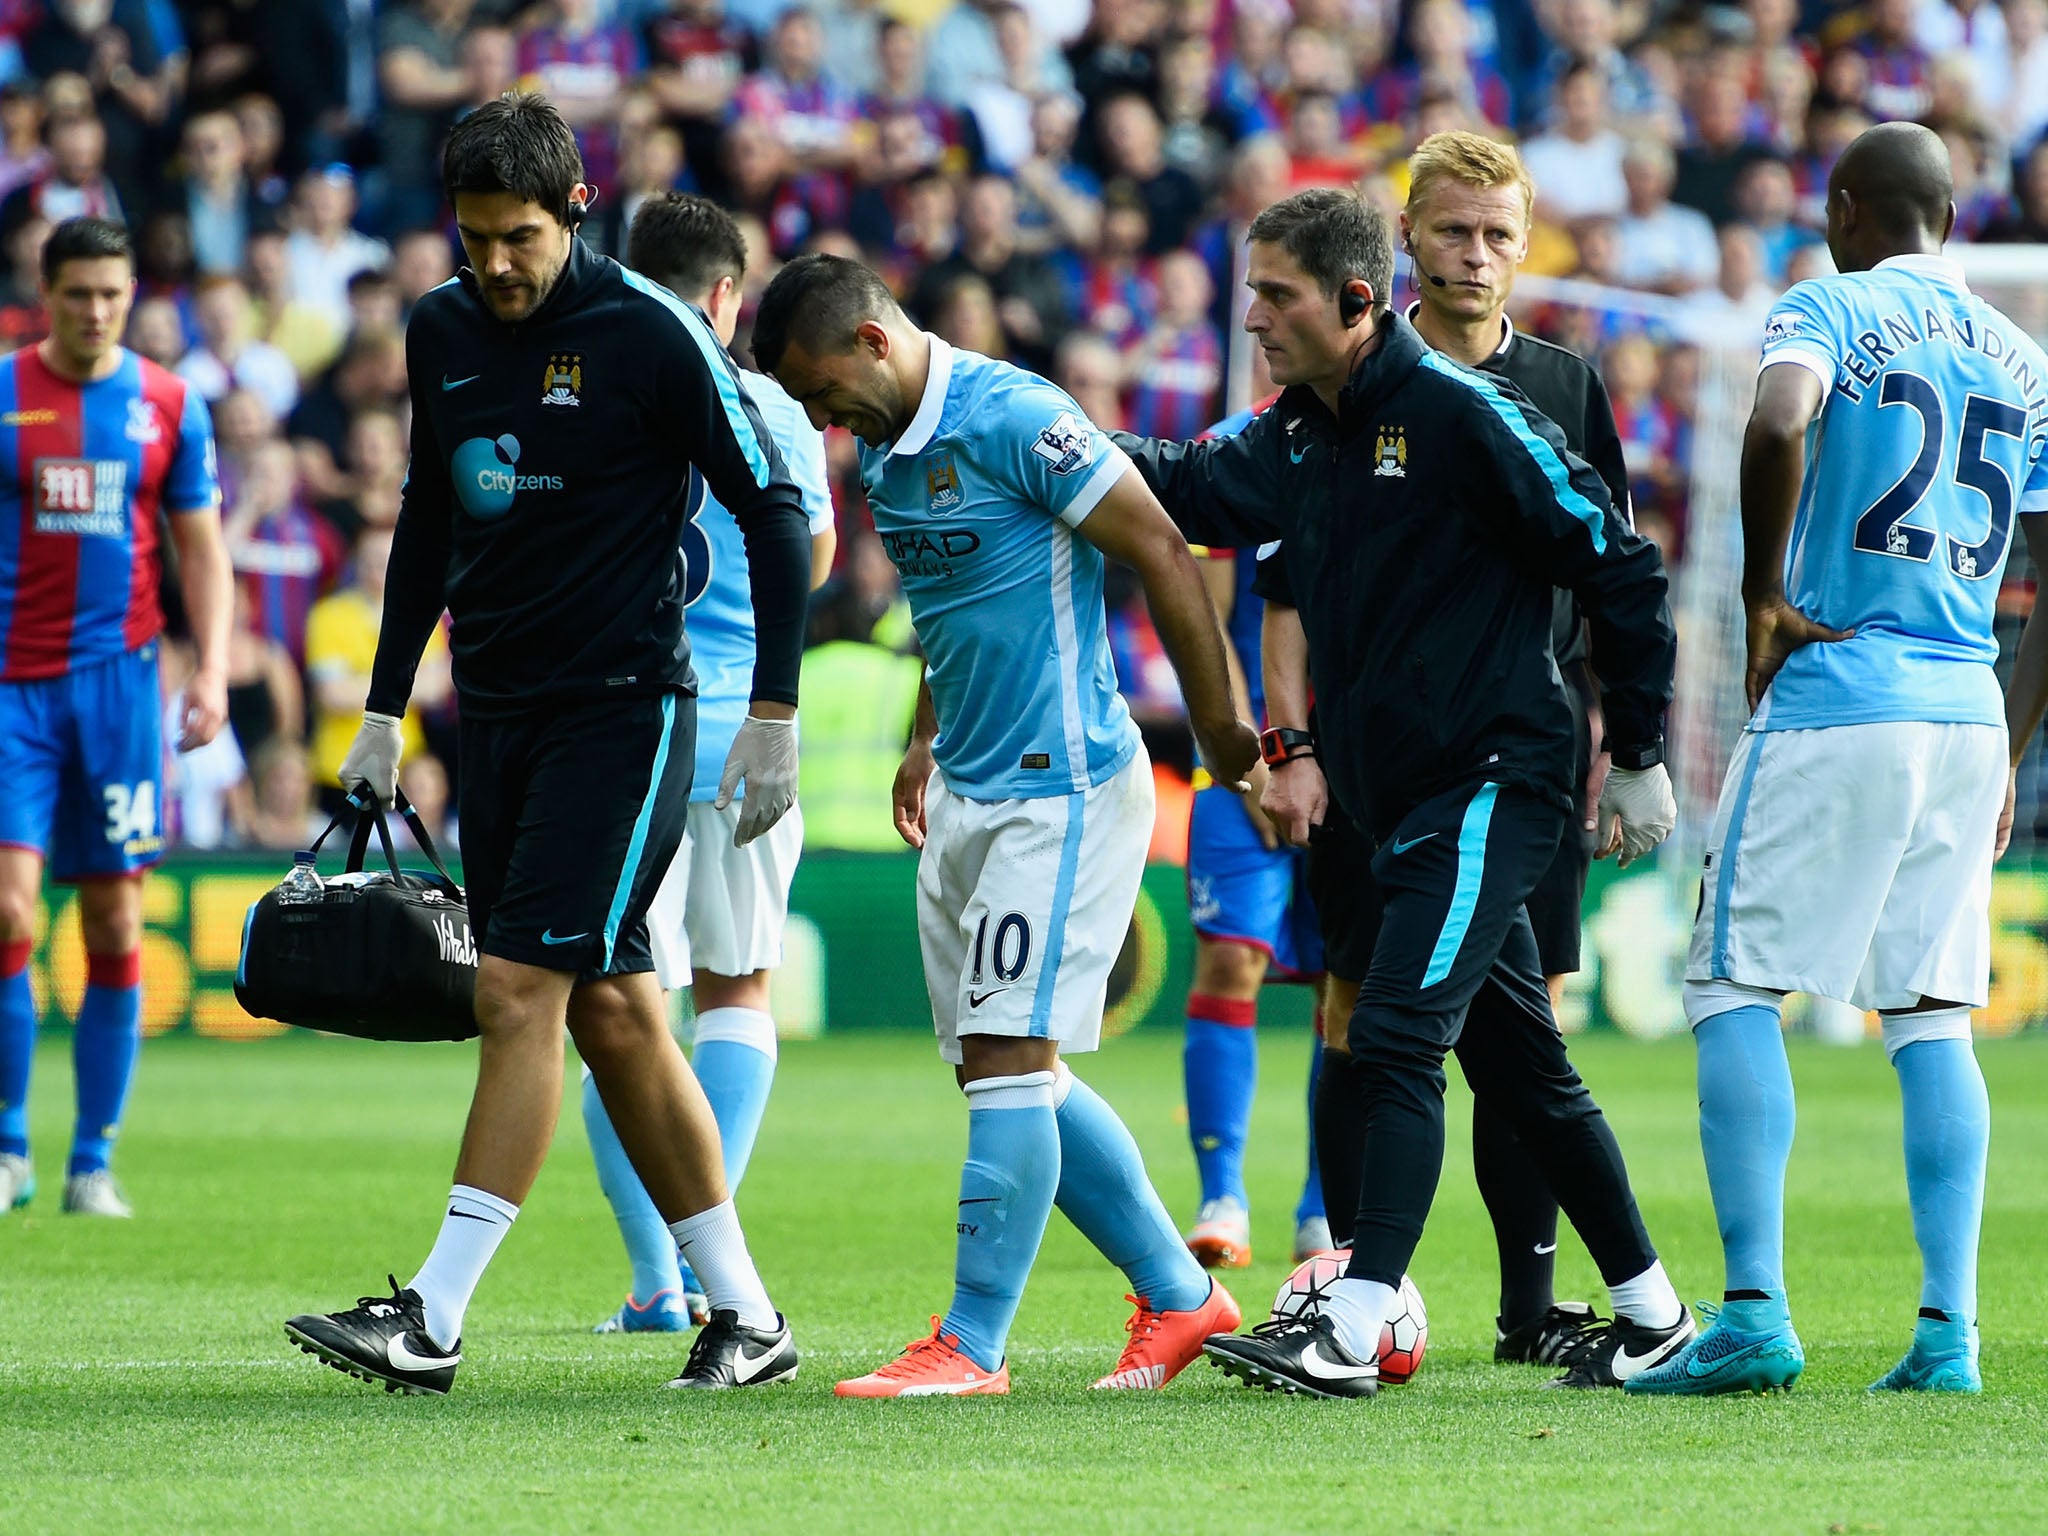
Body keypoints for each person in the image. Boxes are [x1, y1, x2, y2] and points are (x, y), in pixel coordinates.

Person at [1114, 187, 1690, 1399]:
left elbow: (1623, 567)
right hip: (1397, 798)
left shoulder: (1464, 411)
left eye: (1275, 296)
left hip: (1492, 778)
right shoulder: (1296, 432)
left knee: (1388, 1033)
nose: (1254, 318)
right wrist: (1033, 434)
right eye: (1251, 292)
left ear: (1355, 300)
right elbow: (1180, 481)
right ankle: (1654, 1314)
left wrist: (1634, 751)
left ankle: (1357, 1316)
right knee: (1524, 1070)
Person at [282, 93, 813, 1398]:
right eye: (472, 240)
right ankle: (747, 1319)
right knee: (621, 1015)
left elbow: (781, 511)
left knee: (518, 992)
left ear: (574, 208)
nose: (495, 266)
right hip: (499, 712)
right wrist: (387, 707)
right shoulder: (441, 327)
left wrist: (776, 717)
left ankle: (436, 1315)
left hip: (626, 709)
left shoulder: (650, 332)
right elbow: (423, 525)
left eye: (517, 237)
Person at [753, 252, 1260, 1397]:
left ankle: (972, 1343)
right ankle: (1184, 1300)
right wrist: (927, 734)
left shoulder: (1018, 417)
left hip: (1063, 785)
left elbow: (1161, 552)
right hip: (969, 785)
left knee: (1006, 1063)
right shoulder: (885, 448)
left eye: (821, 391)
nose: (825, 424)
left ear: (872, 342)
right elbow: (949, 606)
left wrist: (1228, 743)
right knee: (1000, 1067)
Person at [1631, 123, 2048, 1399]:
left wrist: (1760, 594)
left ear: (1851, 210)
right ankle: (1946, 1338)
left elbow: (1775, 417)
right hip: (1964, 711)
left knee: (1728, 986)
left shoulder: (1826, 303)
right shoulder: (2025, 362)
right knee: (1930, 1021)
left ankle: (1751, 1315)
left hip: (1836, 691)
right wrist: (2008, 754)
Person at [1258, 132, 1635, 1367]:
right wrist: (1291, 740)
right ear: (1404, 238)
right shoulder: (1340, 382)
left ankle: (1527, 1313)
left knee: (1521, 1033)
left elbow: (1610, 560)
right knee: (1361, 1008)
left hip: (1515, 750)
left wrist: (1623, 744)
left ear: (1525, 246)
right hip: (1377, 752)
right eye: (1450, 230)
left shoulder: (1564, 386)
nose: (1473, 256)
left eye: (1496, 235)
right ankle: (1349, 1275)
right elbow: (1283, 588)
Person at [579, 192, 838, 1335]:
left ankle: (654, 1279)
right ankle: (706, 1260)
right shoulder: (777, 410)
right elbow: (810, 565)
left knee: (616, 1001)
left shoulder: (598, 394)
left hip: (623, 729)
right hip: (746, 728)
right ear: (728, 295)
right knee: (737, 990)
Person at [0, 216, 229, 1219]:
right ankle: (9, 1145)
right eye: (76, 294)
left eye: (111, 295)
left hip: (122, 690)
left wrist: (212, 667)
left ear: (131, 296)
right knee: (9, 909)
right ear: (43, 293)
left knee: (113, 915)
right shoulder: (5, 396)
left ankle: (92, 1158)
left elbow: (201, 549)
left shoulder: (169, 403)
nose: (95, 312)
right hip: (13, 692)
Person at [1176, 399, 1330, 1276]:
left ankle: (1320, 1210)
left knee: (1338, 986)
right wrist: (1247, 763)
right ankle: (1221, 1196)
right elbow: (1202, 620)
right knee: (1231, 961)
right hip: (1243, 759)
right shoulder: (1230, 450)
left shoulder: (1395, 427)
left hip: (1354, 764)